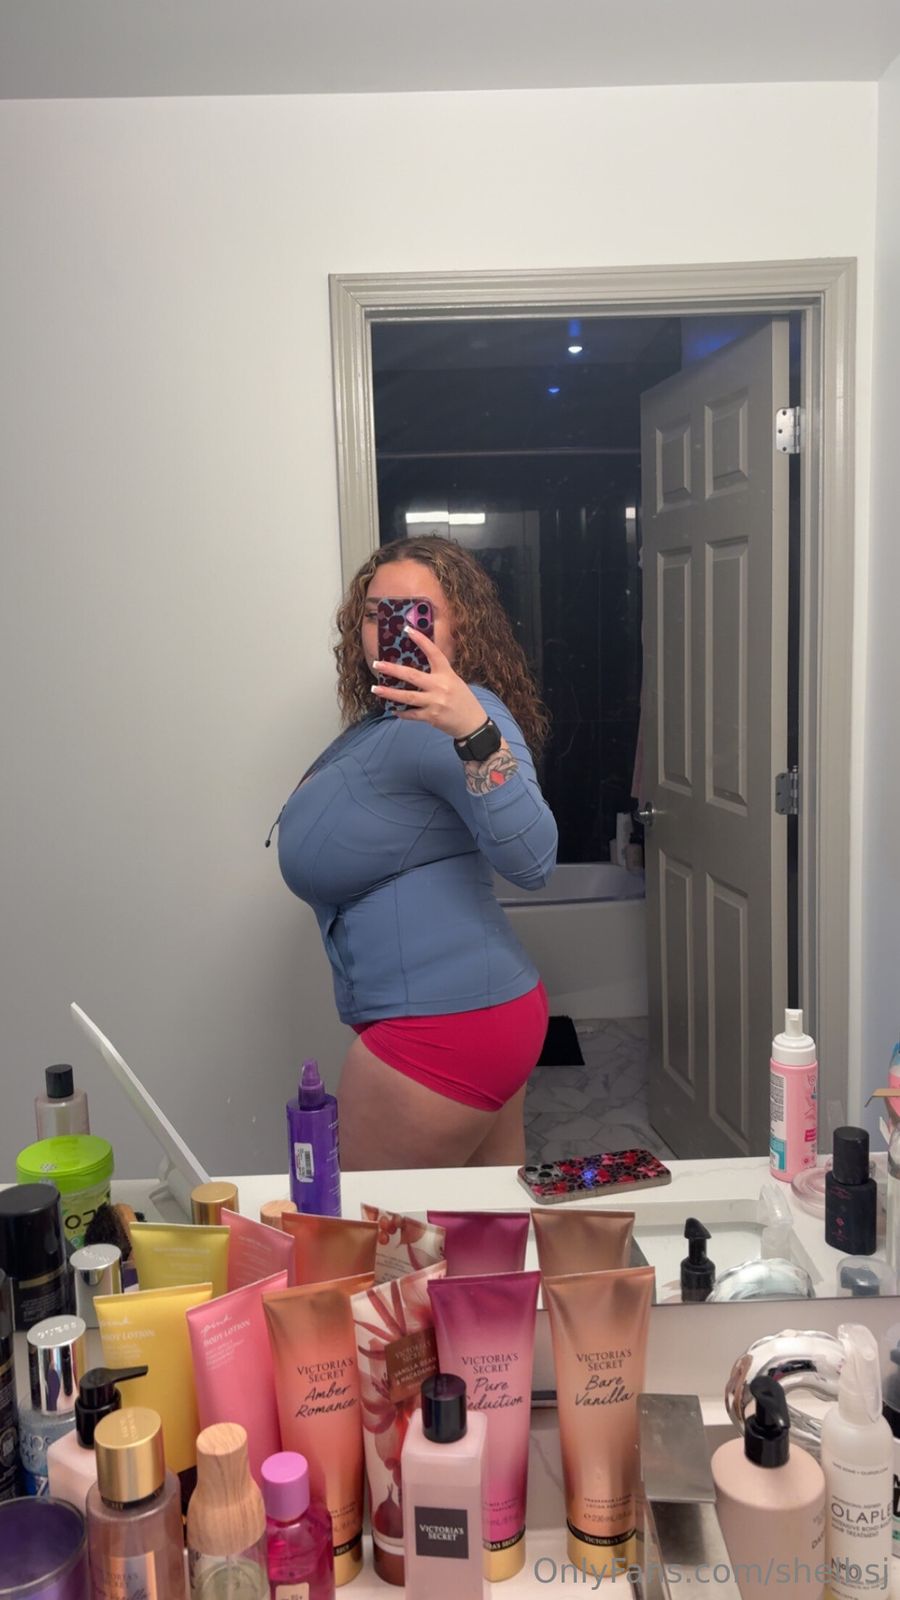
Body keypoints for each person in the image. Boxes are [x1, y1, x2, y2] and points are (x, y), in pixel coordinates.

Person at [273, 535, 558, 1170]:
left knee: (370, 1226)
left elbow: (535, 859)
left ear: (461, 628)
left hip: (444, 1029)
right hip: (470, 1017)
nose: (391, 629)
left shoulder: (464, 716)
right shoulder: (391, 716)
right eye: (376, 613)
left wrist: (470, 728)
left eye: (414, 613)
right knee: (483, 1226)